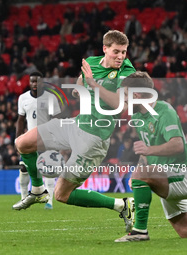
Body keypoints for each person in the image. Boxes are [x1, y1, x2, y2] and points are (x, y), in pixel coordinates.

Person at [13, 30, 136, 232]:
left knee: (62, 194)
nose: (121, 57)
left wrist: (93, 83)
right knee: (23, 143)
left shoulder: (126, 72)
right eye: (116, 52)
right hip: (75, 124)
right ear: (105, 49)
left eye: (124, 52)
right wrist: (80, 87)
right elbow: (79, 84)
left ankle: (121, 205)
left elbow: (119, 105)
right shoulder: (92, 63)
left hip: (94, 139)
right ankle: (37, 190)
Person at [115, 71, 187, 242]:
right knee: (184, 231)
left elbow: (178, 145)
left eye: (126, 95)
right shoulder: (139, 115)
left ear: (136, 95)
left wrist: (147, 156)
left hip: (180, 173)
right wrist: (140, 171)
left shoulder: (164, 111)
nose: (124, 100)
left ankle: (140, 231)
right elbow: (145, 153)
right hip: (165, 176)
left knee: (143, 173)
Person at [13, 71, 61, 210]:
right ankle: (23, 198)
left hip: (47, 138)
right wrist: (18, 139)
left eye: (37, 81)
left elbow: (56, 120)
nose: (35, 84)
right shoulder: (23, 98)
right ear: (29, 82)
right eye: (32, 81)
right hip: (30, 138)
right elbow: (20, 120)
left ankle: (49, 201)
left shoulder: (50, 98)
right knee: (24, 168)